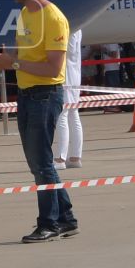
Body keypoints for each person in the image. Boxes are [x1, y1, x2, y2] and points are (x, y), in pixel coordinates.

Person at [0, 0, 77, 243]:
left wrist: (13, 62)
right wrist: (8, 58)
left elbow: (53, 68)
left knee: (41, 162)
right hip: (27, 93)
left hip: (45, 94)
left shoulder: (53, 18)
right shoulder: (26, 13)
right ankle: (65, 218)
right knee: (38, 162)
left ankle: (49, 222)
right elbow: (24, 52)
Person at [55, 22, 86, 169]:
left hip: (65, 76)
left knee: (63, 115)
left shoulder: (67, 27)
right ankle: (75, 157)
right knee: (73, 114)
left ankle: (60, 159)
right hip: (74, 76)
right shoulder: (78, 27)